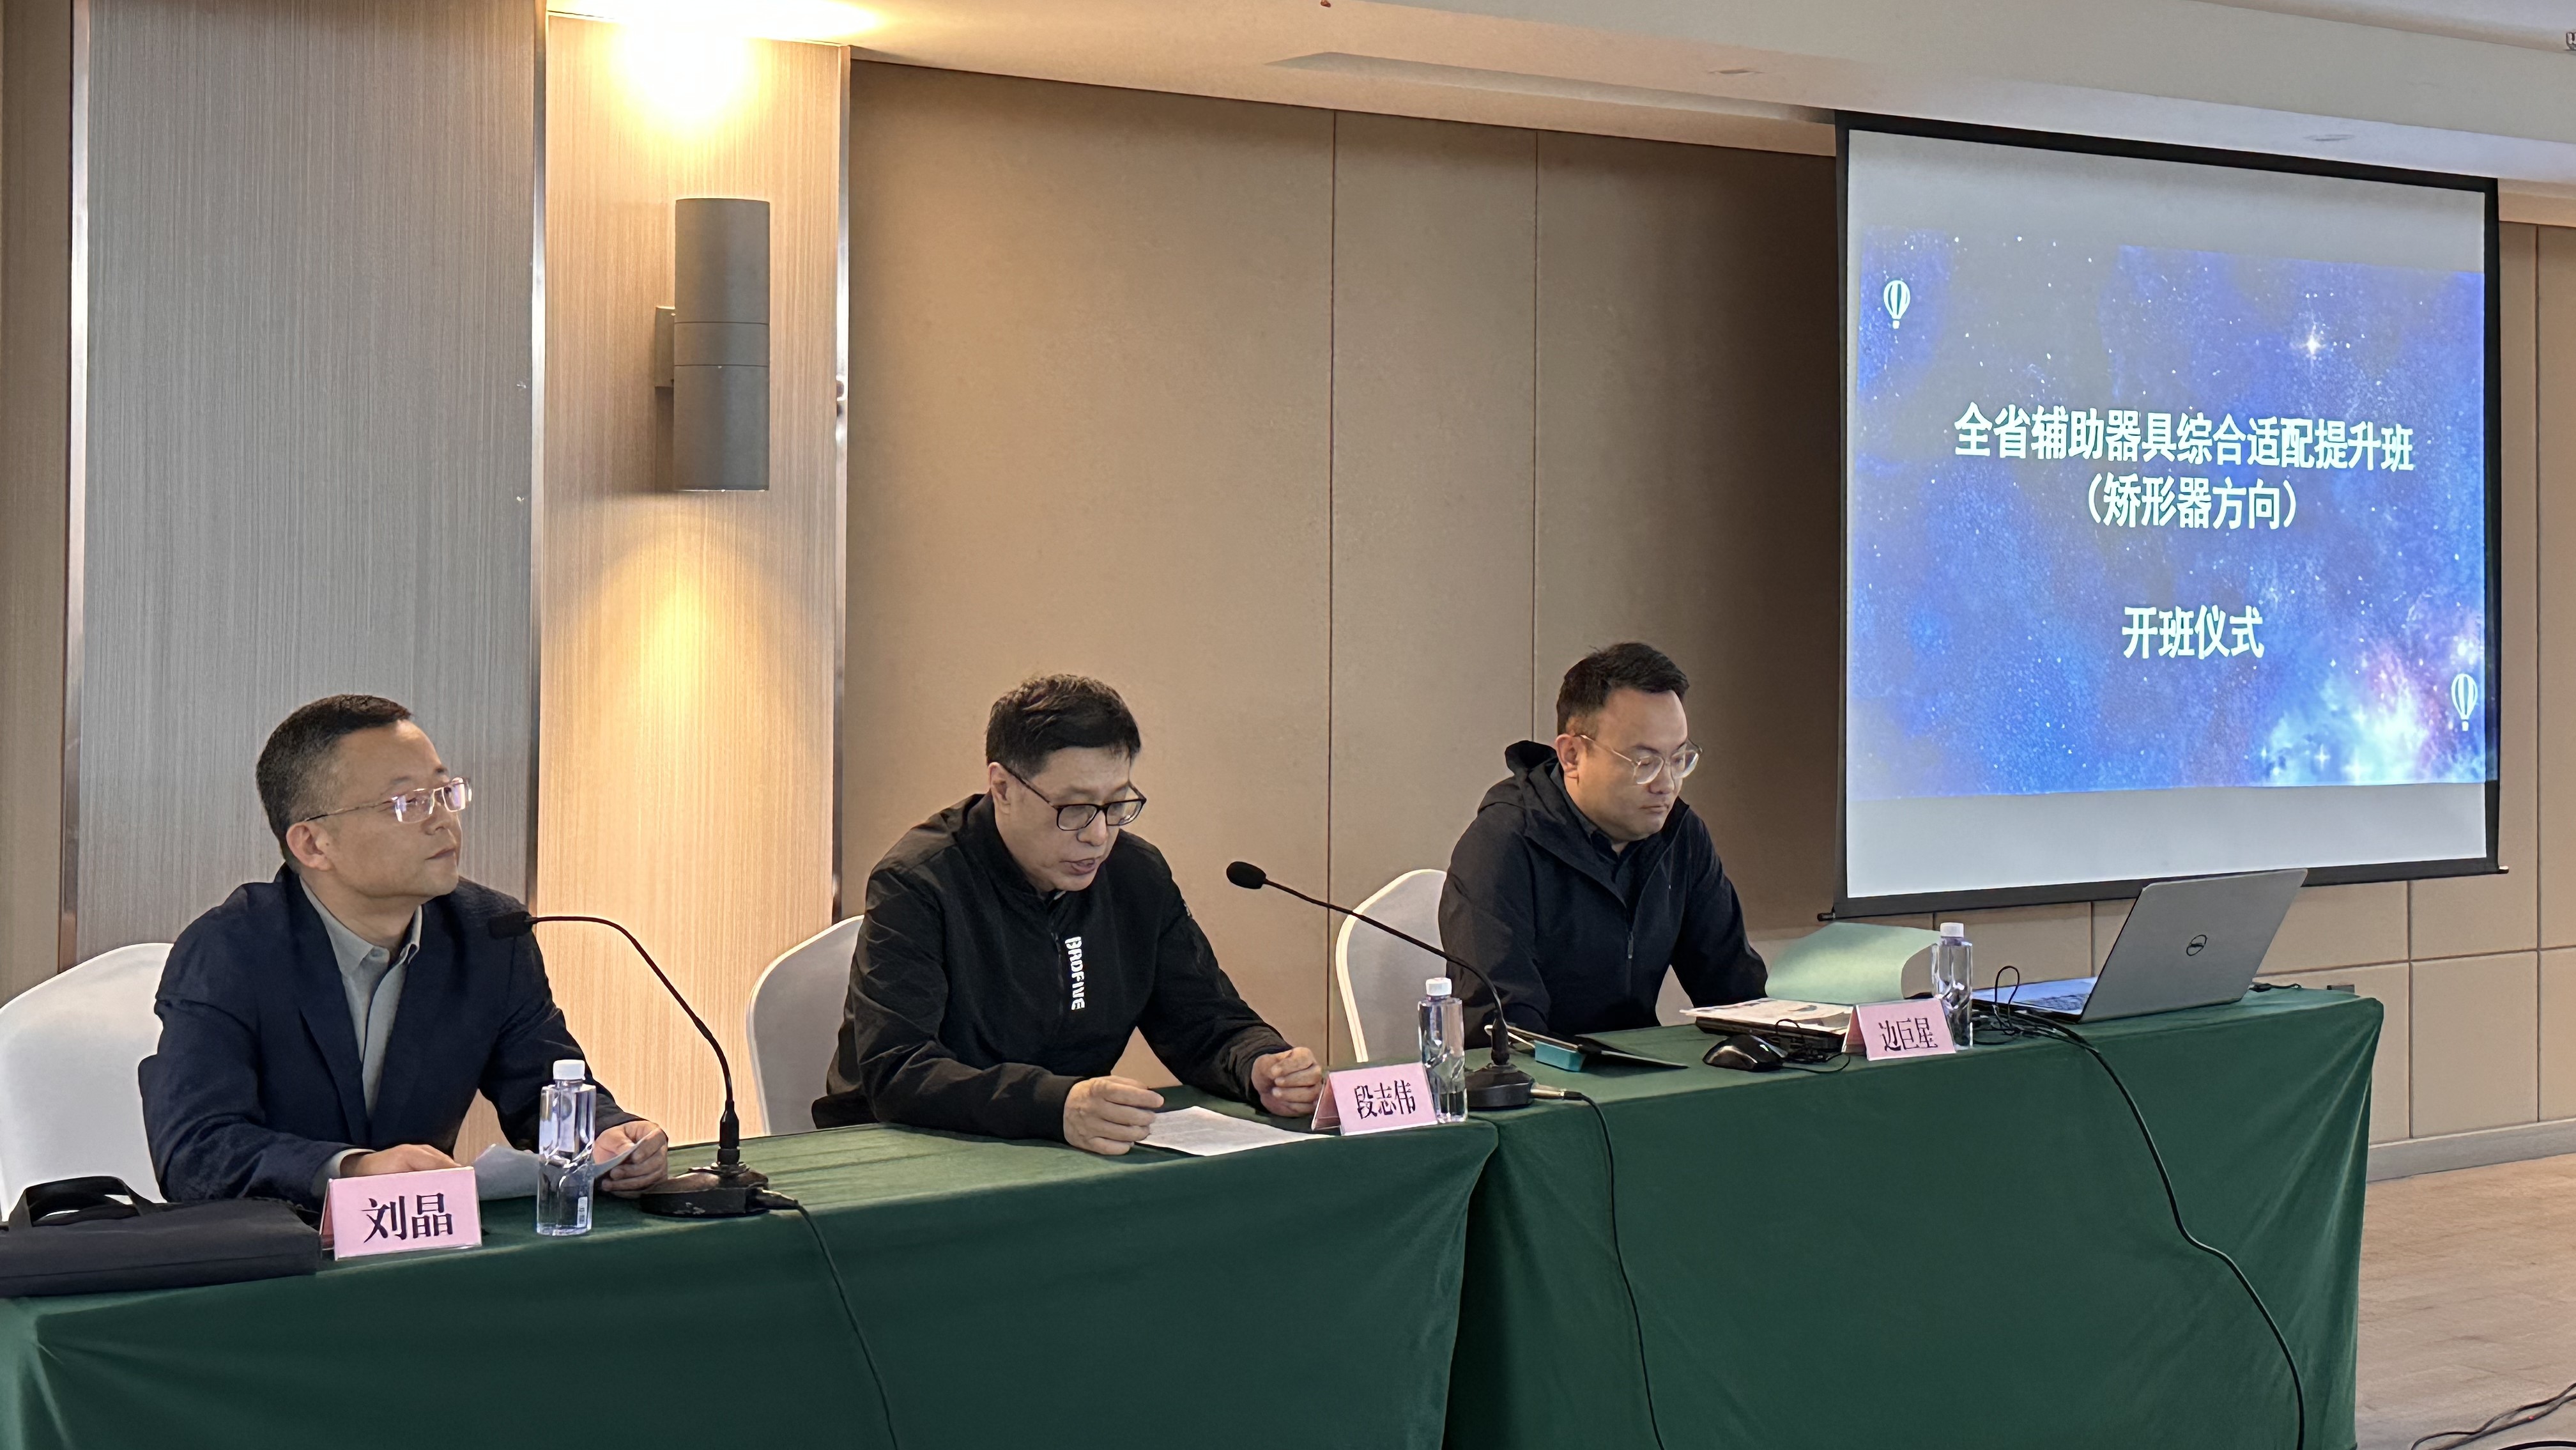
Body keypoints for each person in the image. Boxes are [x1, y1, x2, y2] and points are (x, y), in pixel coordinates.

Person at [141, 695, 668, 1208]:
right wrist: (353, 1170)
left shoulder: (489, 934)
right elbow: (196, 1152)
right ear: (313, 844)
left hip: (426, 1245)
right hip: (280, 1252)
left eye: (445, 792)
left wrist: (610, 1135)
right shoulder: (230, 949)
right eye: (408, 803)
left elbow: (544, 1087)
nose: (443, 821)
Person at [815, 674, 1324, 1152]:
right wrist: (1055, 1105)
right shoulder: (919, 882)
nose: (1098, 835)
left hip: (1062, 1153)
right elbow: (899, 1071)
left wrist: (1260, 1063)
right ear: (1003, 788)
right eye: (1074, 808)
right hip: (902, 1156)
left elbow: (1203, 1021)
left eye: (1117, 804)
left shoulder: (1134, 875)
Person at [1439, 642, 1765, 1039]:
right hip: (1552, 1071)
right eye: (1645, 763)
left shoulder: (1681, 835)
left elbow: (1735, 993)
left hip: (1643, 1066)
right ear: (1573, 755)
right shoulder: (1502, 845)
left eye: (1678, 759)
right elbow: (1503, 1029)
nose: (1666, 784)